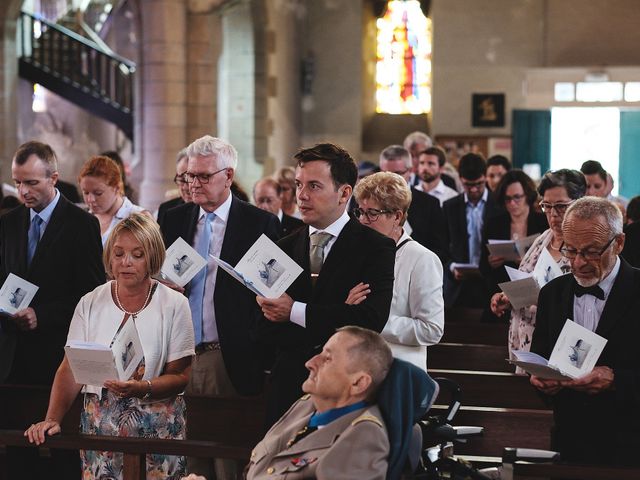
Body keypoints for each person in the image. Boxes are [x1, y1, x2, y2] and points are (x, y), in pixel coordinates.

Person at [25, 213, 195, 479]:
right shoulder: (91, 302)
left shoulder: (174, 304)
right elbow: (70, 368)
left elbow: (180, 376)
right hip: (100, 427)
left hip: (158, 428)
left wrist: (143, 388)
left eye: (137, 255)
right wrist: (52, 418)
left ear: (152, 257)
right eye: (118, 254)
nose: (125, 262)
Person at [160, 135, 280, 479]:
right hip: (179, 351)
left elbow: (273, 292)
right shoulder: (173, 217)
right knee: (187, 454)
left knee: (227, 458)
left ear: (228, 176)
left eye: (202, 177)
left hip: (228, 352)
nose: (193, 184)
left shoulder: (259, 223)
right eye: (188, 176)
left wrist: (254, 345)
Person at [256, 143, 395, 427]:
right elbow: (262, 329)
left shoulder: (375, 247)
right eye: (298, 185)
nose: (301, 195)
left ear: (344, 193)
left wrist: (293, 311)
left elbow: (369, 322)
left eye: (314, 186)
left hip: (344, 390)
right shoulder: (281, 248)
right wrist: (338, 311)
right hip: (289, 386)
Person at [0, 141, 105, 479]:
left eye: (31, 182)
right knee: (17, 454)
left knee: (62, 453)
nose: (22, 190)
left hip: (58, 357)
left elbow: (89, 296)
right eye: (17, 182)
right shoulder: (8, 222)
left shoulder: (81, 225)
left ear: (53, 178)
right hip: (12, 355)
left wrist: (42, 315)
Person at [530, 197, 640, 466]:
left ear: (619, 243)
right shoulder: (552, 294)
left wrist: (616, 380)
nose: (578, 263)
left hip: (630, 444)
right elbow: (540, 358)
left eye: (591, 252)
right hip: (570, 441)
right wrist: (544, 383)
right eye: (571, 250)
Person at [246, 326, 393, 479]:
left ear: (358, 383)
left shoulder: (363, 438)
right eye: (320, 353)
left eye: (327, 359)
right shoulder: (307, 405)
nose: (310, 363)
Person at [490, 169, 585, 362]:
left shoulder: (583, 246)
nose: (553, 214)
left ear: (580, 204)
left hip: (558, 342)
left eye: (561, 206)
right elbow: (526, 280)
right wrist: (507, 297)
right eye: (547, 206)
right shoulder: (543, 238)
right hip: (525, 339)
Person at [353, 172, 444, 370]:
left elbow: (432, 329)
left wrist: (371, 320)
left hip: (398, 370)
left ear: (397, 216)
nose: (363, 220)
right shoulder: (355, 252)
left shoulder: (422, 259)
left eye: (372, 213)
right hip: (356, 364)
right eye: (360, 211)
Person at [442, 153, 501, 311]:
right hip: (458, 286)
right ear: (460, 179)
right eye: (468, 185)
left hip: (491, 283)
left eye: (479, 184)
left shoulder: (499, 205)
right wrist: (452, 266)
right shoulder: (450, 206)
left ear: (485, 178)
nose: (474, 189)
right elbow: (441, 245)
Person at [480, 169, 548, 301]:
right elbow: (483, 266)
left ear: (527, 195)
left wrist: (526, 260)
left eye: (517, 197)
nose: (512, 203)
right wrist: (491, 263)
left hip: (535, 293)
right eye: (507, 199)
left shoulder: (543, 223)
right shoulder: (494, 224)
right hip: (501, 292)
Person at [378, 145, 447, 263]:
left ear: (410, 171)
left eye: (397, 174)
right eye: (385, 174)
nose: (390, 181)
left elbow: (440, 248)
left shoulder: (429, 204)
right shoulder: (368, 202)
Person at [78, 155, 150, 246]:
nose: (90, 199)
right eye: (86, 193)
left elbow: (155, 257)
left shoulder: (140, 217)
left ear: (116, 188)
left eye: (98, 193)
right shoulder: (82, 219)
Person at [157, 148, 192, 229]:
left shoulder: (210, 212)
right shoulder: (167, 210)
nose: (186, 187)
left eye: (190, 179)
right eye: (181, 180)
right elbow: (164, 241)